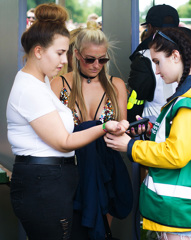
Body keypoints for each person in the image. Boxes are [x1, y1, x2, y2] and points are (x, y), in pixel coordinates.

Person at [6, 3, 128, 240]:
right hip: (43, 183)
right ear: (39, 51)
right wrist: (103, 126)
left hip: (52, 181)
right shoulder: (32, 88)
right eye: (60, 53)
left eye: (66, 53)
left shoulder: (39, 83)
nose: (64, 60)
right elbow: (63, 141)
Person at [105, 27, 191, 240]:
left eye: (157, 61)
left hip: (182, 214)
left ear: (175, 56)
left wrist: (130, 146)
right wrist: (150, 134)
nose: (155, 70)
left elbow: (175, 154)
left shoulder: (188, 104)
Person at [51, 21, 132, 239]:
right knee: (72, 230)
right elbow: (51, 130)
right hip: (71, 167)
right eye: (90, 59)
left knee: (102, 231)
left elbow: (122, 128)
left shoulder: (116, 85)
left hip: (106, 167)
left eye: (102, 59)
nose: (96, 65)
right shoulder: (59, 84)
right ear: (76, 54)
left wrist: (126, 129)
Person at [127, 4, 191, 125]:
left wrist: (130, 128)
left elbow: (135, 102)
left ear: (150, 27)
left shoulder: (145, 58)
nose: (158, 70)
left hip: (158, 134)